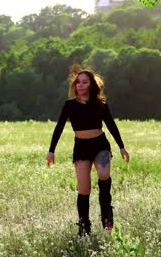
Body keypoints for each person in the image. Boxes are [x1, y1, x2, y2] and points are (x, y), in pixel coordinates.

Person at [46, 65, 129, 236]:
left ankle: (107, 217)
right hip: (81, 148)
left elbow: (111, 125)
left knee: (104, 174)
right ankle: (84, 227)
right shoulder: (69, 105)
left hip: (100, 144)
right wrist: (51, 150)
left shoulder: (101, 104)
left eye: (84, 82)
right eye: (78, 83)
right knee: (84, 189)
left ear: (91, 85)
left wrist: (122, 147)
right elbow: (59, 127)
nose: (80, 85)